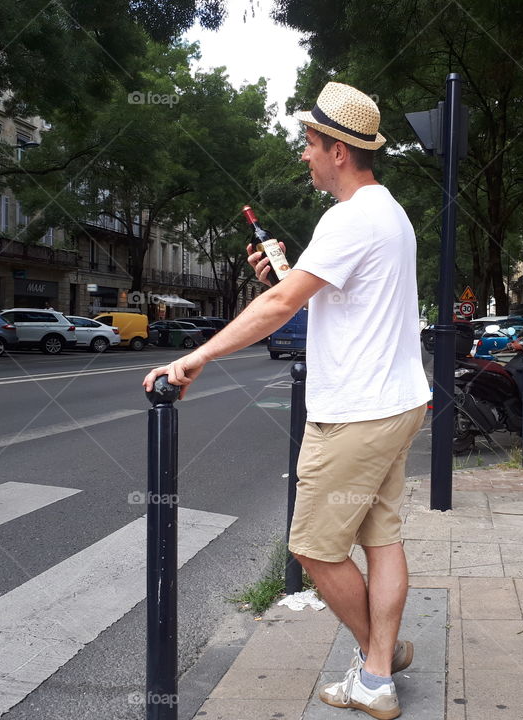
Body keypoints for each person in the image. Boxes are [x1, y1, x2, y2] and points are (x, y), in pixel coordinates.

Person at [143, 82, 430, 720]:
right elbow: (317, 296)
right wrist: (285, 278)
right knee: (381, 538)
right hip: (397, 401)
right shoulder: (390, 213)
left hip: (356, 411)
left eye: (308, 143)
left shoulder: (350, 217)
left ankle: (374, 673)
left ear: (338, 151)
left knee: (313, 549)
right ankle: (383, 655)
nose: (303, 154)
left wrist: (196, 357)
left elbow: (279, 307)